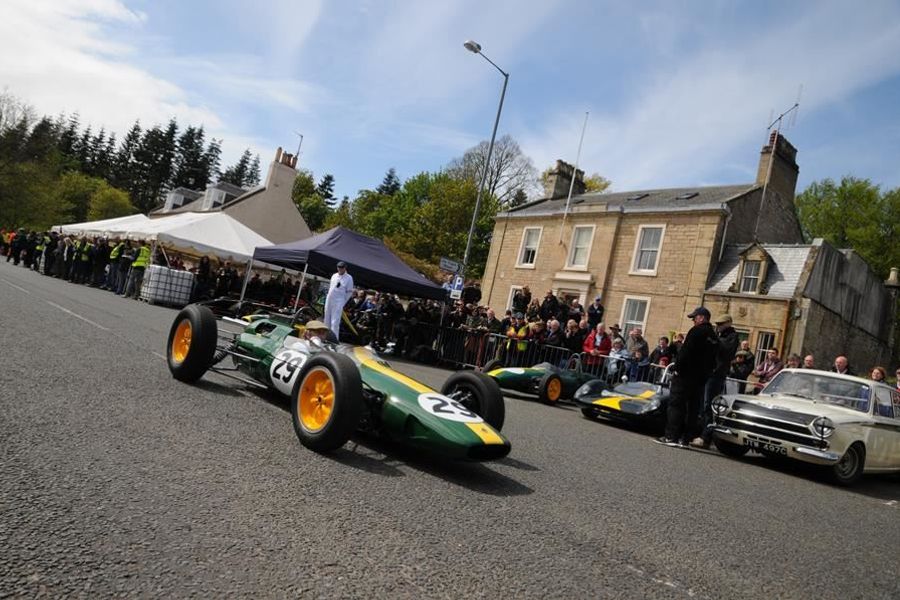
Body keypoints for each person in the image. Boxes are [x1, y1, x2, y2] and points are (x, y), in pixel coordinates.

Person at [656, 307, 717, 448]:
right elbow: (714, 360)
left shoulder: (696, 331)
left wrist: (677, 368)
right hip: (701, 378)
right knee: (693, 409)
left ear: (702, 318)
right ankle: (686, 439)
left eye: (695, 318)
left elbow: (685, 352)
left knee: (676, 405)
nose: (693, 320)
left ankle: (671, 436)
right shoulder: (714, 336)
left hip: (685, 375)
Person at [692, 314, 738, 448]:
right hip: (708, 371)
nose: (718, 326)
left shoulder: (732, 337)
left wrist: (715, 340)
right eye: (717, 324)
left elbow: (726, 352)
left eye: (721, 324)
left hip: (717, 374)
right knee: (702, 404)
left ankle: (706, 437)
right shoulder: (719, 335)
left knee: (709, 405)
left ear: (728, 323)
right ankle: (699, 432)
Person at [324, 261, 354, 341]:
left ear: (345, 268)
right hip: (330, 299)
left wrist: (343, 301)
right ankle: (325, 337)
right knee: (326, 319)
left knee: (335, 322)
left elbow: (349, 292)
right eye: (338, 267)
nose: (340, 269)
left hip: (339, 300)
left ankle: (334, 340)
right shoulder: (334, 275)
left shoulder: (349, 278)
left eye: (341, 267)